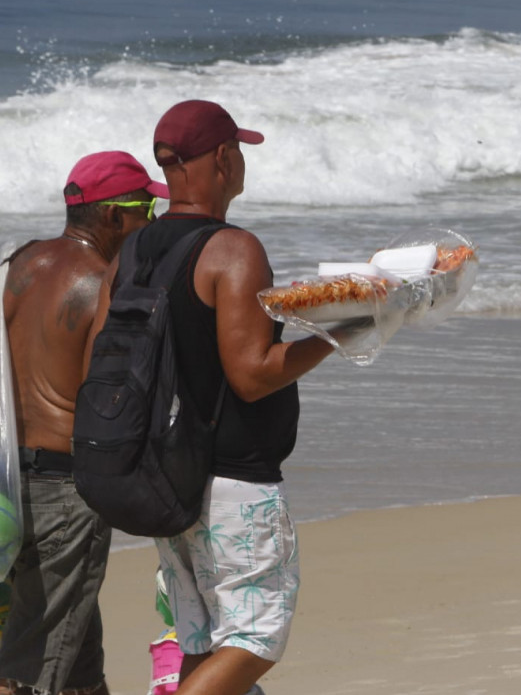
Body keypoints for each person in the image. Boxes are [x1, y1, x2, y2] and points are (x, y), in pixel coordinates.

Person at [89, 100, 337, 695]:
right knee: (254, 640)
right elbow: (252, 375)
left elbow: (100, 355)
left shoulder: (130, 253)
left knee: (201, 641)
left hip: (165, 476)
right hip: (233, 483)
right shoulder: (233, 249)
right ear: (224, 159)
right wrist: (337, 334)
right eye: (240, 150)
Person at [0, 151, 164, 695]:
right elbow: (106, 402)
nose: (151, 223)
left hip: (2, 481)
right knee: (27, 665)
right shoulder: (104, 283)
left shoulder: (18, 263)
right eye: (146, 210)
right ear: (114, 216)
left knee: (77, 656)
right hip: (64, 494)